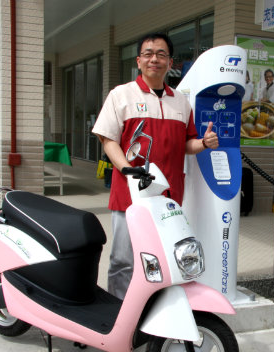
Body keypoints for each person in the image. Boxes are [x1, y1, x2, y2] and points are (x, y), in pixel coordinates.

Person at [91, 33, 219, 299]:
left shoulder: (180, 101)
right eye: (148, 54)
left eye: (161, 54)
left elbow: (186, 144)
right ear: (138, 61)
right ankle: (120, 309)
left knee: (164, 256)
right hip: (130, 194)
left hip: (168, 197)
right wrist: (127, 169)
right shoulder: (121, 95)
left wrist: (203, 143)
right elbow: (108, 140)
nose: (154, 59)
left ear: (170, 62)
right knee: (124, 259)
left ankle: (155, 307)